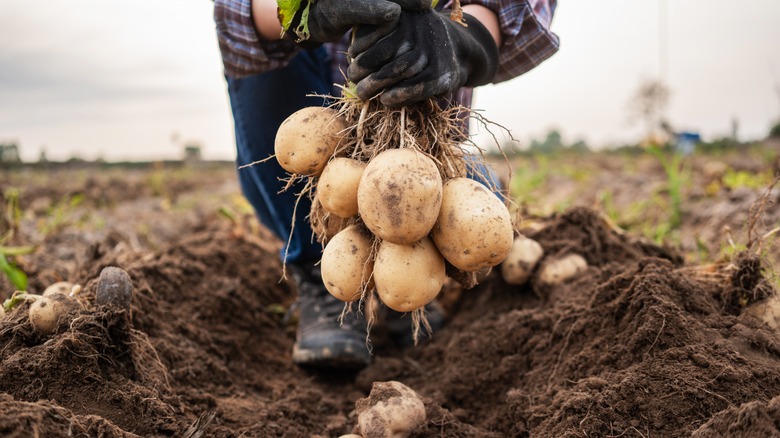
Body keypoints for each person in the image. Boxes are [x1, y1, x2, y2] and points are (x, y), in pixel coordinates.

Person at [213, 0, 559, 369]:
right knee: (347, 191)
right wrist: (305, 14)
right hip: (328, 115)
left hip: (429, 143)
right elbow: (235, 11)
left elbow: (517, 10)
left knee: (455, 204)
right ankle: (316, 269)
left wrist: (461, 39)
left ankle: (409, 282)